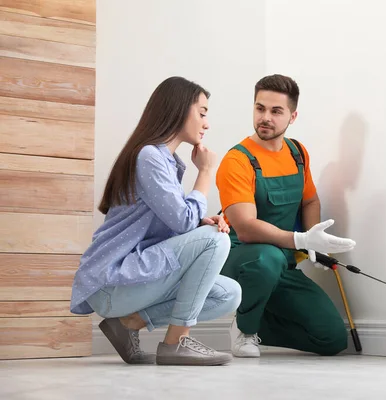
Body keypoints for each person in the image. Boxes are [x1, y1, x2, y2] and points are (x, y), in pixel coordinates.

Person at [70, 76, 241, 366]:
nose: (207, 123)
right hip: (113, 281)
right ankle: (176, 343)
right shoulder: (149, 156)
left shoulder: (165, 161)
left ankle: (129, 324)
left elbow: (175, 223)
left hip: (133, 281)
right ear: (178, 109)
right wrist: (206, 172)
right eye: (202, 113)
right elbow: (183, 221)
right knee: (216, 240)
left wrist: (200, 222)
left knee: (229, 294)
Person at [216, 74, 356, 358]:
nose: (265, 117)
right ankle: (245, 329)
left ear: (292, 116)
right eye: (260, 108)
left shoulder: (297, 152)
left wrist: (314, 238)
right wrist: (300, 239)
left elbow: (310, 200)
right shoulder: (237, 160)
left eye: (275, 111)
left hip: (280, 265)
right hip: (241, 260)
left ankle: (257, 319)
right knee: (267, 258)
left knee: (331, 338)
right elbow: (244, 229)